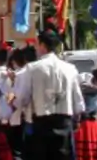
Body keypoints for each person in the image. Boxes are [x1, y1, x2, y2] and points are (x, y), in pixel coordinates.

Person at [10, 30, 82, 160]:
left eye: (37, 44)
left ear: (42, 45)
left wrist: (13, 102)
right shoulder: (70, 68)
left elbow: (22, 99)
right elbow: (78, 101)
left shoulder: (32, 68)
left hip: (41, 125)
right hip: (64, 123)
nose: (36, 48)